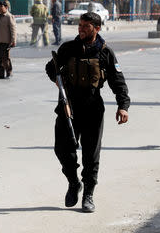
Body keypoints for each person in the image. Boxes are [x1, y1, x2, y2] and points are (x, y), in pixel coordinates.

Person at [45, 12, 130, 213]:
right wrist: (59, 80)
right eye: (80, 25)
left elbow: (118, 81)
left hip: (92, 108)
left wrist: (123, 106)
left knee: (91, 155)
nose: (81, 29)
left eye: (86, 26)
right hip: (68, 107)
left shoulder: (105, 52)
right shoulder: (68, 48)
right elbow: (51, 68)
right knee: (62, 149)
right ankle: (74, 182)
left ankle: (88, 195)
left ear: (97, 28)